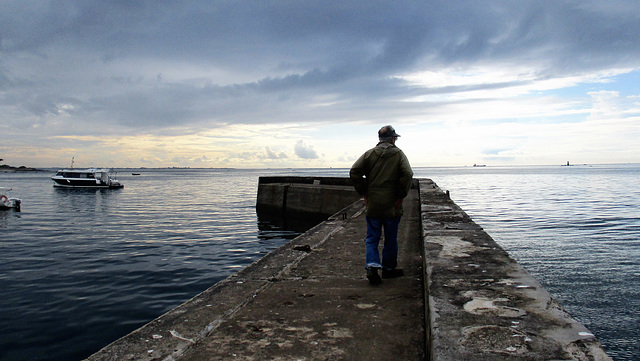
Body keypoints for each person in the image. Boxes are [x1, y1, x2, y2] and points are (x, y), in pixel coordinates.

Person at [349, 125, 413, 285]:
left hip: (374, 203)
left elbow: (354, 171)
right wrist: (401, 195)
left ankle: (372, 267)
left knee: (372, 237)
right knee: (391, 238)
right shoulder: (398, 154)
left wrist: (364, 191)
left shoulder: (369, 154)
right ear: (393, 139)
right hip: (392, 204)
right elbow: (407, 174)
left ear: (379, 139)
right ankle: (389, 270)